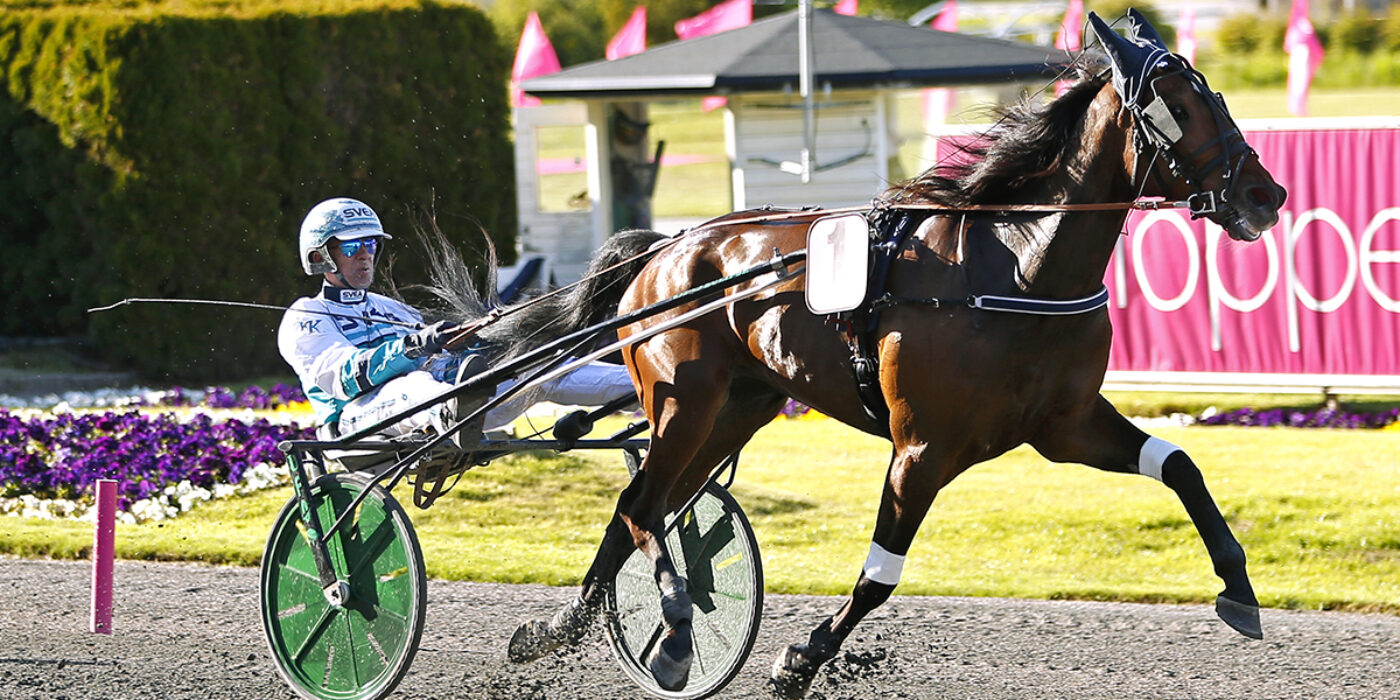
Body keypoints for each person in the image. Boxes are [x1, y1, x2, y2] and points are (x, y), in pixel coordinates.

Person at [277, 197, 637, 444]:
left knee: (540, 367)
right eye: (351, 247)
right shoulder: (305, 316)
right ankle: (454, 414)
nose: (364, 256)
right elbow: (343, 378)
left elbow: (439, 356)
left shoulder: (392, 309)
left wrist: (477, 340)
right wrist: (411, 347)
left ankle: (649, 387)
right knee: (414, 383)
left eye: (370, 245)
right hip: (355, 423)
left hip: (445, 405)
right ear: (321, 257)